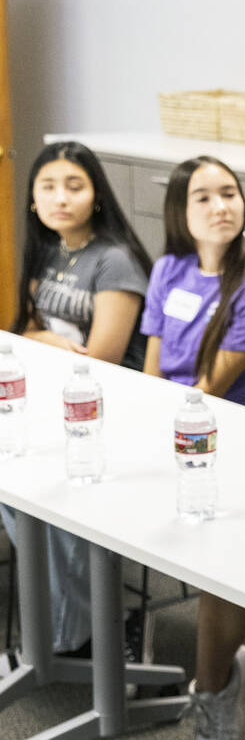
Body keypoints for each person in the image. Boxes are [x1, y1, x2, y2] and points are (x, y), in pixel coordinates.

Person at [138, 157, 245, 740]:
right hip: (168, 428)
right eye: (203, 198)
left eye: (229, 193)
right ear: (181, 212)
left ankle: (209, 687)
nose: (221, 207)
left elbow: (211, 392)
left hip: (229, 442)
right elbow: (155, 375)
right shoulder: (170, 269)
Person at [1, 140, 153, 659]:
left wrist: (37, 340)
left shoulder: (115, 261)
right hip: (52, 403)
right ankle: (77, 621)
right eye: (48, 187)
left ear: (97, 196)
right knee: (11, 487)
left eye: (74, 186)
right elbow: (25, 330)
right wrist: (44, 341)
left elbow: (104, 359)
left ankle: (78, 634)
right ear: (32, 200)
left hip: (112, 411)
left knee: (41, 490)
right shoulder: (45, 251)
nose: (60, 198)